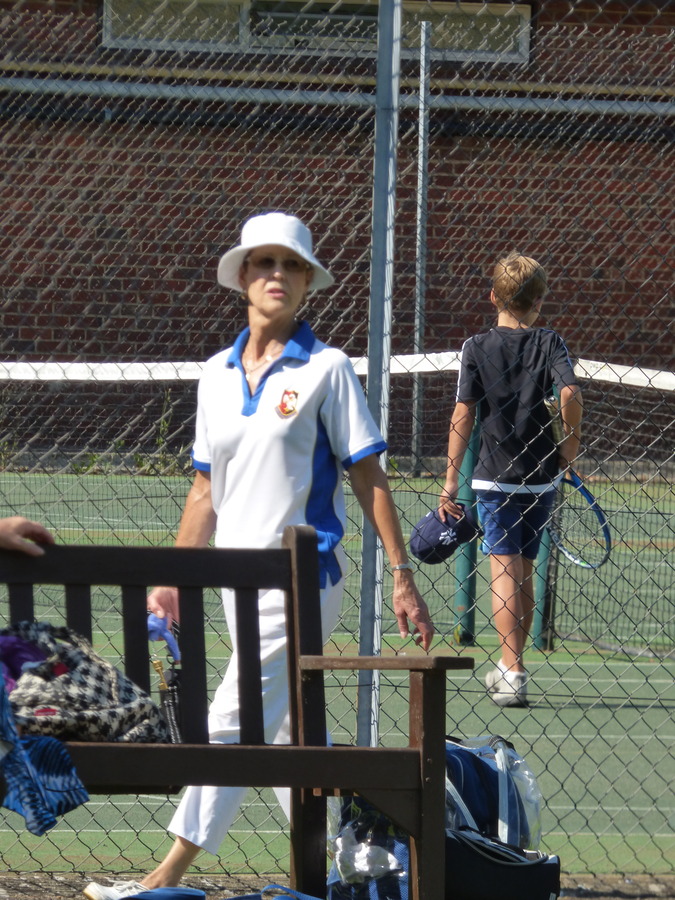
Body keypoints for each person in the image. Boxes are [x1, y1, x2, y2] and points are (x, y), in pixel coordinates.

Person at [83, 211, 434, 900]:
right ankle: (358, 861)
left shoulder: (330, 370)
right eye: (264, 262)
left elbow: (368, 477)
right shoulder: (214, 374)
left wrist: (400, 574)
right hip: (228, 587)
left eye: (291, 265)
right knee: (280, 731)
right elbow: (204, 488)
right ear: (243, 277)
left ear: (306, 283)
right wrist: (174, 577)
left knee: (230, 719)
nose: (277, 274)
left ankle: (164, 879)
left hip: (303, 583)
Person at [439, 251, 583, 708]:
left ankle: (513, 668)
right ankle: (512, 664)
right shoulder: (550, 341)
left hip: (493, 479)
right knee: (523, 569)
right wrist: (570, 449)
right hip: (541, 478)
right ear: (538, 300)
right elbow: (570, 391)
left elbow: (463, 413)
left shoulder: (476, 346)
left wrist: (449, 480)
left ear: (492, 295)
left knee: (503, 568)